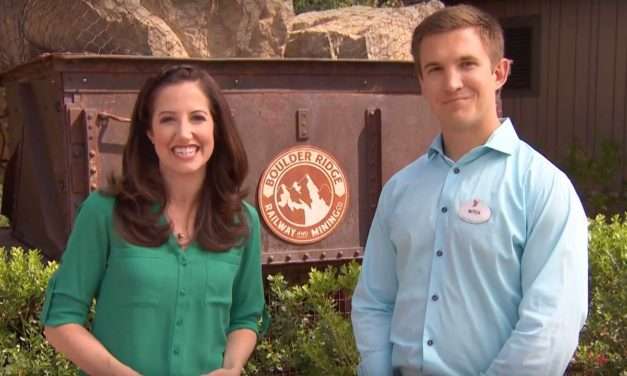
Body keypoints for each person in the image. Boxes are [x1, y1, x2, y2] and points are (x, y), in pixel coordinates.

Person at [351, 5, 588, 376]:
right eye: (435, 69)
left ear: (499, 72)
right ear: (421, 82)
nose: (451, 82)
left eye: (466, 64)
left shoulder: (543, 188)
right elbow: (374, 302)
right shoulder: (400, 190)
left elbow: (550, 326)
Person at [40, 65, 265, 376]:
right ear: (149, 133)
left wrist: (232, 367)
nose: (184, 133)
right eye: (167, 119)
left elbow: (246, 316)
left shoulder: (243, 223)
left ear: (216, 127)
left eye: (197, 117)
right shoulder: (104, 212)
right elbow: (60, 321)